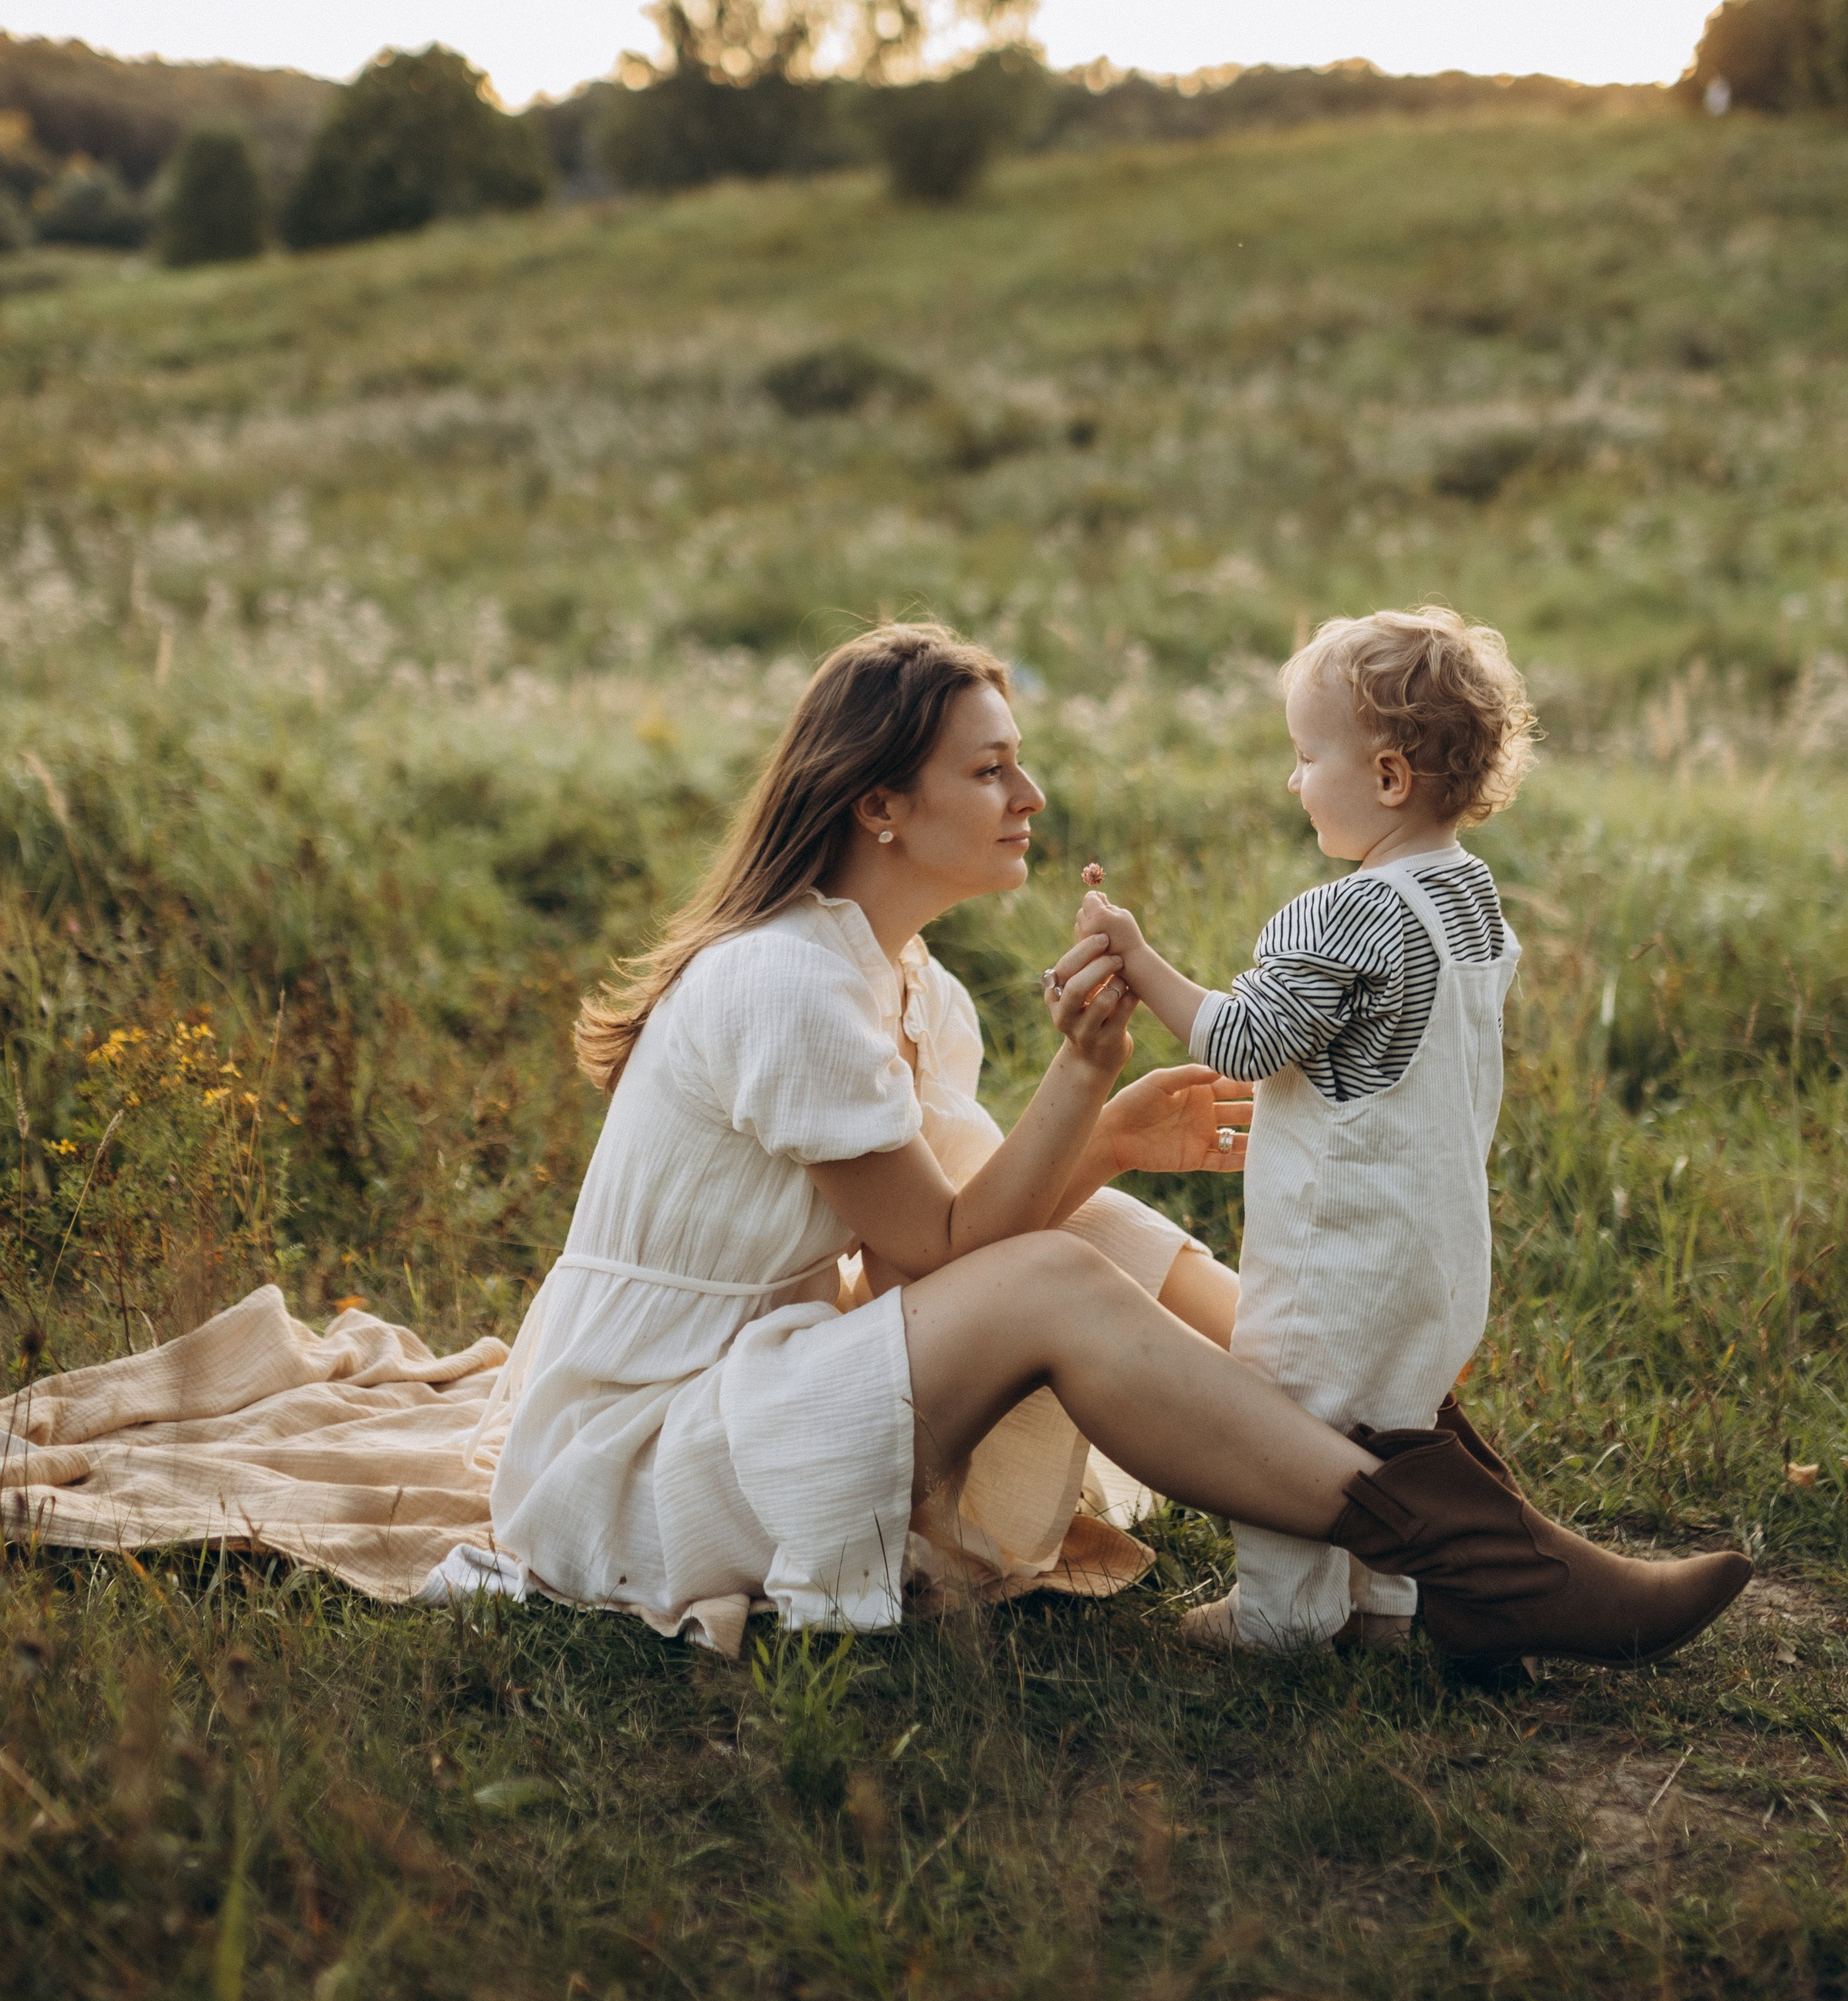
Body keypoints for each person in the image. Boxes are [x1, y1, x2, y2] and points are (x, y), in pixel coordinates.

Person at [489, 621, 1754, 1671]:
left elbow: (959, 1233)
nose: (1031, 798)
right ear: (881, 805)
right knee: (1055, 1274)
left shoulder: (908, 983)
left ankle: (1364, 1417)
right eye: (991, 771)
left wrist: (1105, 1142)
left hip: (765, 1384)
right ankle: (1481, 1563)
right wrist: (1087, 1083)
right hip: (649, 1458)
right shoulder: (785, 984)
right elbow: (947, 1251)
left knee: (1087, 1231)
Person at [1072, 606, 1549, 1651]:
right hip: (1441, 1245)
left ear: (1387, 776)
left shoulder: (1345, 914)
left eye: (1305, 756)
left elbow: (1243, 1041)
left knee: (1289, 1410)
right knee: (1392, 1422)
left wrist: (1140, 960)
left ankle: (1282, 1614)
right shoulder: (1472, 900)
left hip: (1344, 1244)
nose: (1293, 781)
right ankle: (1386, 1609)